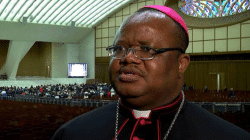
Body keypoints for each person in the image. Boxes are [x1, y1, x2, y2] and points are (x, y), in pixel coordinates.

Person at [51, 5, 250, 140]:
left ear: (181, 64)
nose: (128, 58)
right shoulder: (72, 133)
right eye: (119, 48)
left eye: (146, 49)